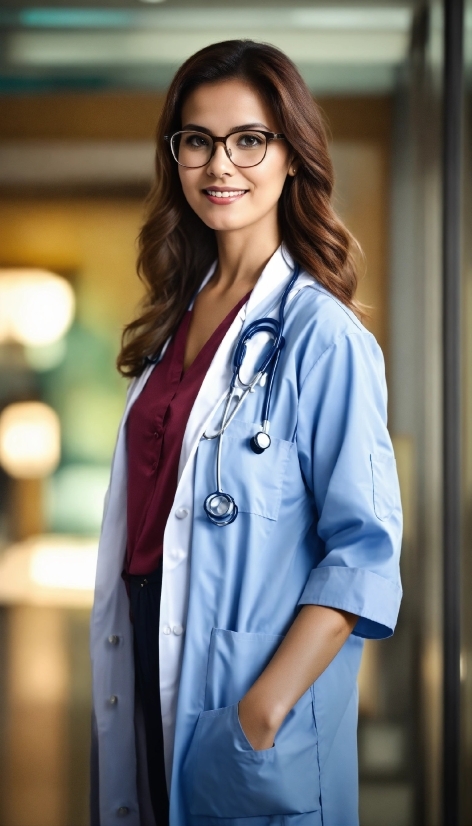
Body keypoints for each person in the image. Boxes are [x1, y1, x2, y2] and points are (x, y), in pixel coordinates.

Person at [90, 39, 403, 826]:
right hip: (144, 653)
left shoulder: (323, 338)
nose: (219, 165)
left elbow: (363, 553)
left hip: (244, 696)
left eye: (249, 140)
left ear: (292, 155)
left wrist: (260, 711)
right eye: (197, 140)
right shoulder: (173, 318)